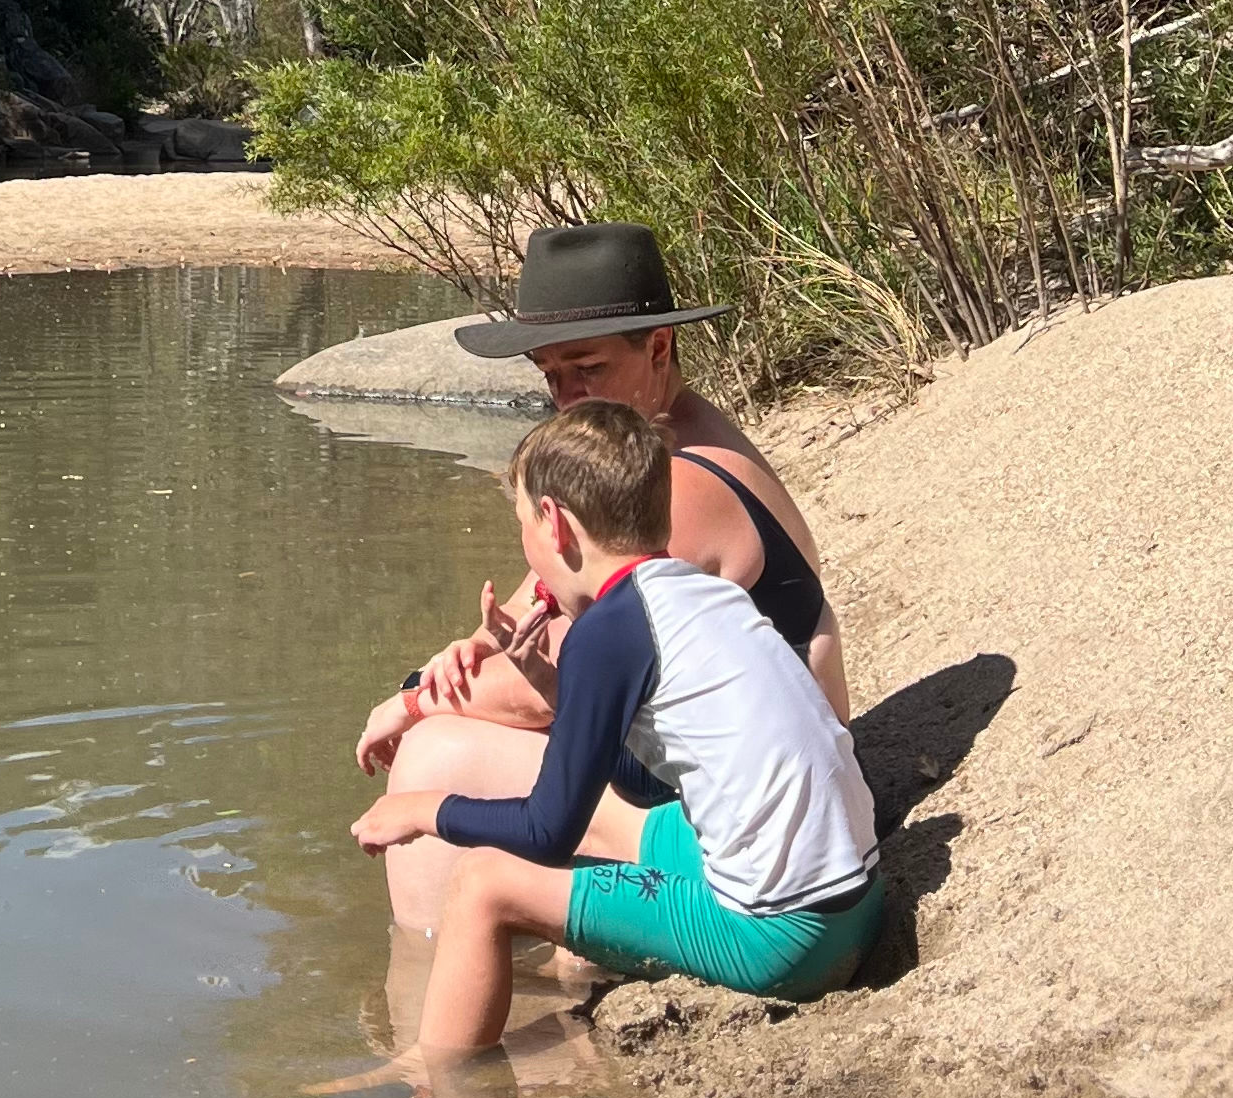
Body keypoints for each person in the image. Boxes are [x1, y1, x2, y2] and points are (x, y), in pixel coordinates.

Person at [356, 220, 848, 932]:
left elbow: (552, 692)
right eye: (551, 375)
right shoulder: (659, 444)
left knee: (437, 753)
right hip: (760, 786)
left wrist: (413, 705)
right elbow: (531, 608)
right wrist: (460, 659)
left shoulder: (676, 483)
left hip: (771, 825)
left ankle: (429, 992)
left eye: (588, 369)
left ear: (657, 347)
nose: (568, 399)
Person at [349, 401, 882, 1055]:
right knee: (624, 822)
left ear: (555, 524)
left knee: (483, 885)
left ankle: (436, 1082)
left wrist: (422, 810)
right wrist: (553, 687)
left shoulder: (607, 630)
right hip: (855, 910)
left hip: (781, 941)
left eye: (521, 524)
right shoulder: (699, 591)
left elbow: (547, 833)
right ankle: (561, 973)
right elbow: (637, 776)